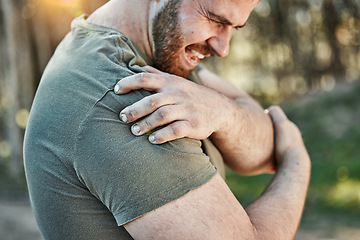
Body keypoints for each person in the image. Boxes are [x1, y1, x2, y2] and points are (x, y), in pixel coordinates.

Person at [24, 0, 310, 239]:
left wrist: (224, 112)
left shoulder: (155, 55)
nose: (223, 48)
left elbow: (261, 152)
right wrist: (296, 163)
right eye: (215, 20)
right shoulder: (126, 96)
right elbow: (276, 150)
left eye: (234, 27)